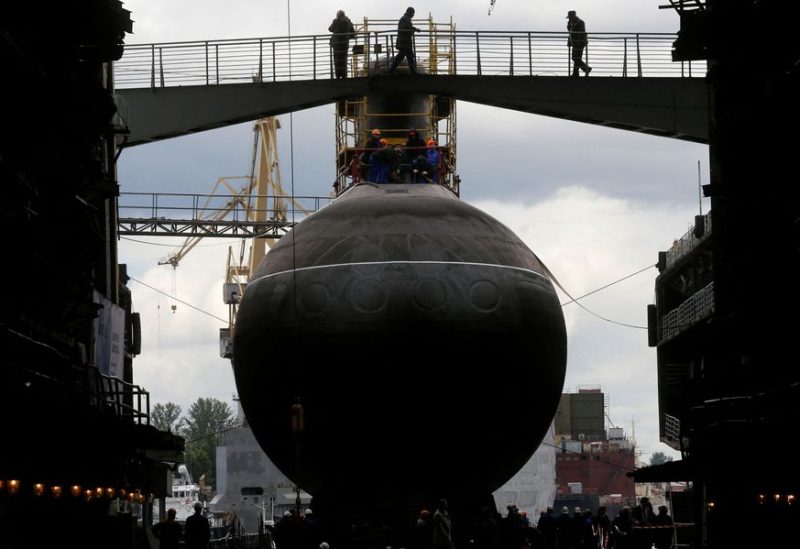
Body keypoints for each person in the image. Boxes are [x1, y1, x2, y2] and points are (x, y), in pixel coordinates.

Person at [389, 7, 421, 74]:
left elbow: (408, 28)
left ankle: (392, 70)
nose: (413, 15)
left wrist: (414, 29)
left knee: (404, 56)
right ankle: (413, 72)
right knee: (406, 56)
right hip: (405, 42)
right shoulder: (405, 19)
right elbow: (407, 28)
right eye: (413, 13)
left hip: (404, 42)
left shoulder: (405, 18)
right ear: (410, 12)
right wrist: (414, 30)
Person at [328, 10, 356, 79]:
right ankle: (344, 75)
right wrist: (348, 37)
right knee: (344, 60)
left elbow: (330, 29)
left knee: (337, 60)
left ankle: (338, 76)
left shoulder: (336, 21)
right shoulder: (349, 22)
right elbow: (353, 33)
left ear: (338, 15)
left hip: (336, 44)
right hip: (344, 44)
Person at [566, 10, 592, 77]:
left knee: (576, 58)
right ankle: (576, 73)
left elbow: (580, 33)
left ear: (573, 17)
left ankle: (586, 69)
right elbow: (569, 30)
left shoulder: (581, 22)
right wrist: (569, 24)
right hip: (574, 43)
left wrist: (577, 42)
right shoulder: (572, 22)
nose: (569, 19)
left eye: (570, 17)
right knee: (575, 58)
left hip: (580, 43)